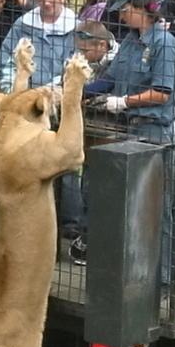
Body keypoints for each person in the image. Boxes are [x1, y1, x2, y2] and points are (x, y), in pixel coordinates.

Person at [81, 0, 175, 274]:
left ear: (143, 8)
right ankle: (128, 275)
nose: (121, 14)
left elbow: (163, 91)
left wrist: (123, 102)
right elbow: (110, 79)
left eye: (126, 8)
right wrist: (78, 90)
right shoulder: (129, 41)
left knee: (153, 211)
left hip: (153, 135)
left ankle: (160, 280)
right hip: (126, 134)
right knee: (124, 208)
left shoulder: (165, 44)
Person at [58, 20, 116, 248]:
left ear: (102, 45)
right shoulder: (80, 60)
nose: (80, 54)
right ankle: (83, 230)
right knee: (85, 178)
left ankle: (94, 237)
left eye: (85, 49)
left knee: (99, 183)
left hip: (110, 129)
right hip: (87, 127)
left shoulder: (113, 62)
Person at [0, 0, 77, 93]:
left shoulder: (76, 27)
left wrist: (48, 92)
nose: (46, 3)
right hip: (23, 98)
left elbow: (75, 71)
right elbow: (5, 62)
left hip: (61, 97)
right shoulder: (23, 24)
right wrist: (14, 91)